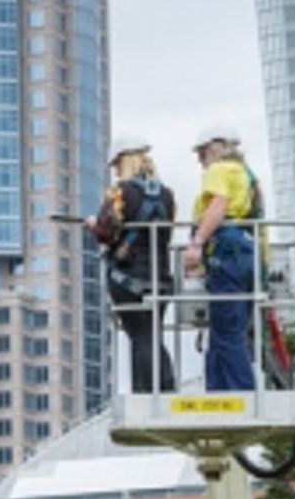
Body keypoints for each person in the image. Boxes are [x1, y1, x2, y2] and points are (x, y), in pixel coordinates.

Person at [87, 134, 177, 393]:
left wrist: (94, 224)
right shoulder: (167, 195)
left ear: (124, 161)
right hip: (160, 277)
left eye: (116, 165)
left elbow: (106, 232)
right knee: (150, 335)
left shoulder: (120, 192)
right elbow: (166, 233)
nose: (115, 171)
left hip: (127, 279)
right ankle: (149, 392)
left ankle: (160, 390)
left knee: (141, 337)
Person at [183, 126, 263, 392]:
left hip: (227, 253)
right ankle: (218, 391)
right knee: (224, 332)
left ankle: (243, 396)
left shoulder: (219, 170)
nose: (200, 162)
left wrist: (197, 244)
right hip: (244, 254)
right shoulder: (246, 175)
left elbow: (218, 205)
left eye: (202, 154)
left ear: (213, 149)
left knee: (227, 333)